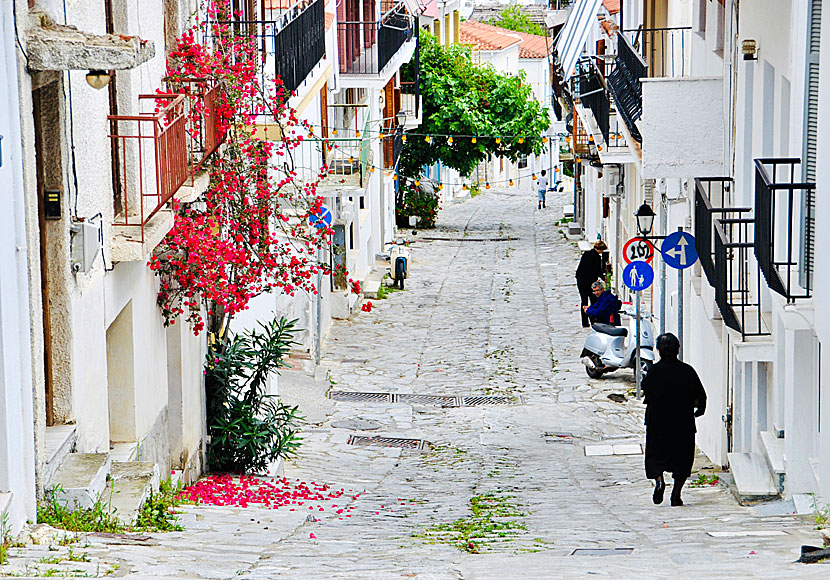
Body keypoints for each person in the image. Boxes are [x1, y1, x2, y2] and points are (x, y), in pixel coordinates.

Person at [642, 333, 707, 507]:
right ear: (678, 350)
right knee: (682, 459)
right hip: (682, 422)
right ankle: (676, 494)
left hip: (657, 422)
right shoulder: (687, 371)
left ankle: (659, 481)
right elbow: (700, 395)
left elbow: (646, 390)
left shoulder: (654, 371)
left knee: (656, 455)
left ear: (659, 351)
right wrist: (699, 410)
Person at [575, 240, 607, 327]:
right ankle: (594, 320)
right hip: (589, 282)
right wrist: (604, 278)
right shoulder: (596, 257)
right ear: (600, 249)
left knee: (584, 301)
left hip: (580, 281)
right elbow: (598, 270)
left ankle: (585, 322)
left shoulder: (586, 254)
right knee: (593, 300)